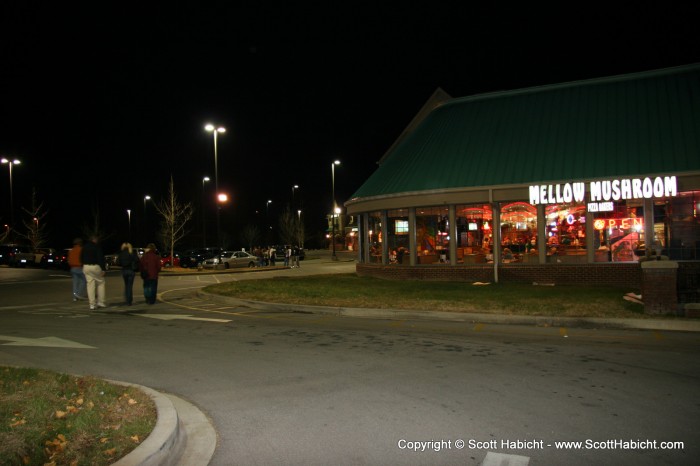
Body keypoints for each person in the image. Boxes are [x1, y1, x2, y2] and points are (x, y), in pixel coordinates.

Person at [81, 235, 106, 310]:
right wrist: (103, 269)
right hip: (95, 266)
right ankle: (101, 302)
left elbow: (81, 257)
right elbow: (100, 258)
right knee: (101, 282)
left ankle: (92, 304)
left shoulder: (84, 247)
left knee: (90, 284)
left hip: (86, 266)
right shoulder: (97, 247)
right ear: (95, 240)